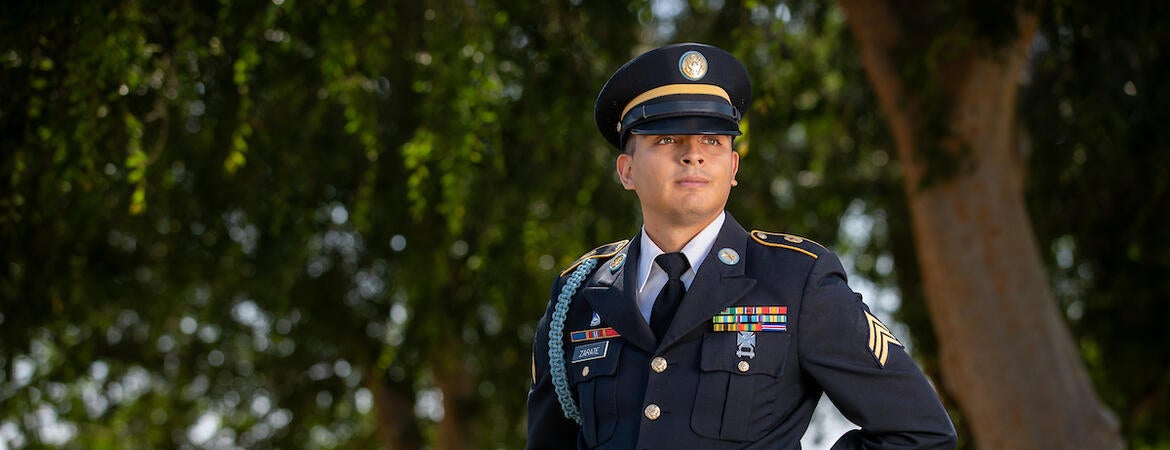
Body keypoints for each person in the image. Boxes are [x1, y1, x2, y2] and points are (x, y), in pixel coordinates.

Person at [527, 43, 956, 449]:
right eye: (667, 139)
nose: (693, 155)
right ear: (626, 170)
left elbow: (919, 432)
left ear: (732, 167)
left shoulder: (795, 280)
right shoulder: (578, 297)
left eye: (712, 140)